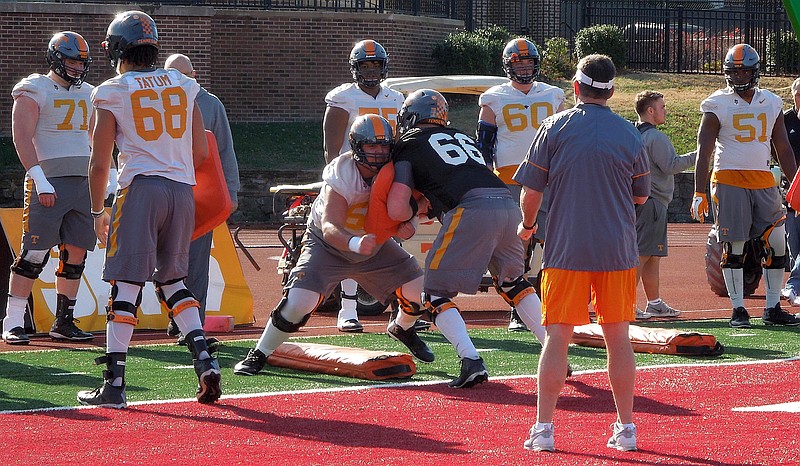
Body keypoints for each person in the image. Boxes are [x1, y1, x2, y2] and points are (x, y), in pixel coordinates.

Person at [77, 10, 220, 408]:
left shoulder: (112, 90)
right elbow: (200, 150)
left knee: (125, 285)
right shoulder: (183, 83)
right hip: (181, 190)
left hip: (142, 189)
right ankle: (204, 359)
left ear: (117, 48)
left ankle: (115, 384)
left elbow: (99, 161)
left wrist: (95, 210)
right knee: (174, 281)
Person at [515, 54, 650, 452]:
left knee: (557, 338)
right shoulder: (629, 133)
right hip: (618, 250)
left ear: (576, 87)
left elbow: (531, 191)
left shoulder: (554, 127)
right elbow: (640, 194)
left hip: (566, 248)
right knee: (618, 339)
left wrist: (527, 226)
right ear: (611, 90)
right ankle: (626, 429)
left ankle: (544, 429)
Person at [233, 114, 434, 376]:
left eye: (384, 146)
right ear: (357, 147)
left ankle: (402, 327)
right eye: (372, 146)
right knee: (298, 303)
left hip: (373, 242)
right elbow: (329, 227)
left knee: (419, 290)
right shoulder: (343, 173)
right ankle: (259, 353)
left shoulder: (397, 170)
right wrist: (354, 242)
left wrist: (410, 224)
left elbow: (416, 205)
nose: (379, 153)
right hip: (329, 245)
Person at [386, 89, 545, 388]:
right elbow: (471, 173)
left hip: (470, 209)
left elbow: (397, 206)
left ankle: (470, 359)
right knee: (514, 283)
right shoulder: (463, 137)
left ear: (411, 117)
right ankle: (554, 351)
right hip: (506, 204)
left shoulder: (409, 143)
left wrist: (405, 216)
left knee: (433, 293)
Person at [692, 43, 800, 328]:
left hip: (764, 180)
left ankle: (773, 306)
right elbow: (704, 151)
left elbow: (784, 149)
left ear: (755, 71)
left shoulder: (771, 102)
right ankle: (738, 308)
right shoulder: (717, 103)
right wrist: (699, 191)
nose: (739, 77)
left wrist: (797, 185)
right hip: (729, 179)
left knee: (776, 245)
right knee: (734, 246)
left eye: (744, 71)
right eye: (734, 72)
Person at [1, 31, 96, 345]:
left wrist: (105, 179)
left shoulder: (90, 93)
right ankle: (12, 321)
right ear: (55, 57)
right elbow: (22, 138)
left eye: (81, 62)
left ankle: (63, 321)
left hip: (83, 182)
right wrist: (39, 179)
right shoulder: (34, 88)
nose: (77, 67)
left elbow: (97, 139)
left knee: (76, 254)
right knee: (34, 254)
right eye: (71, 60)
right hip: (49, 182)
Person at [477, 38, 565, 332]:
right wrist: (486, 175)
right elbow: (484, 145)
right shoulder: (493, 97)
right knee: (518, 244)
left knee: (553, 242)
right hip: (510, 179)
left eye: (529, 63)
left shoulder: (553, 95)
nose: (525, 68)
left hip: (551, 177)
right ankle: (520, 306)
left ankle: (547, 300)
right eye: (519, 63)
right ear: (508, 66)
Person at [323, 39, 405, 332]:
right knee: (352, 241)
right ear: (355, 68)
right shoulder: (343, 98)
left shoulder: (396, 98)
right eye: (365, 65)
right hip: (353, 178)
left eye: (375, 65)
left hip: (386, 177)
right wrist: (337, 181)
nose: (371, 71)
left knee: (393, 239)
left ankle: (402, 310)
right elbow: (331, 149)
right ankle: (347, 309)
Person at [163, 53, 240, 344]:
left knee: (196, 261)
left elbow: (225, 150)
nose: (180, 81)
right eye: (174, 76)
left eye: (185, 76)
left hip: (199, 195)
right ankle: (174, 315)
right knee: (160, 258)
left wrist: (230, 192)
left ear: (195, 74)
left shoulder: (210, 104)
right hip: (163, 192)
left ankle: (191, 323)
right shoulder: (157, 100)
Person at [633, 90, 695, 319]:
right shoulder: (655, 137)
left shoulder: (634, 132)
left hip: (644, 201)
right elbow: (671, 166)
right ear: (650, 111)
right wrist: (701, 154)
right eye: (662, 106)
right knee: (641, 255)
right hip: (652, 203)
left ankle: (654, 303)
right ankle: (627, 303)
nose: (665, 110)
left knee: (651, 255)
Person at [780, 77, 800, 307]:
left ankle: (794, 284)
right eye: (798, 94)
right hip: (792, 189)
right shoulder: (786, 120)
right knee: (793, 241)